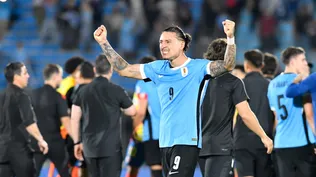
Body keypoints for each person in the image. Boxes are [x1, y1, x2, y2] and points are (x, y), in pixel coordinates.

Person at [93, 19, 236, 177]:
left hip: (187, 141)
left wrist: (230, 38)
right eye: (161, 42)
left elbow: (227, 65)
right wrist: (104, 42)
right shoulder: (157, 68)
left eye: (168, 41)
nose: (163, 45)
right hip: (165, 141)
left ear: (182, 44)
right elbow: (124, 69)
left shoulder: (198, 67)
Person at [199, 39, 273, 177]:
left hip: (200, 145)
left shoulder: (199, 82)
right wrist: (264, 136)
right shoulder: (233, 82)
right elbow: (245, 114)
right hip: (221, 147)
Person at [71, 55, 136, 177]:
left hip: (89, 148)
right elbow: (132, 111)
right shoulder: (117, 90)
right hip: (111, 148)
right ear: (111, 70)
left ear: (95, 70)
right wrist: (118, 107)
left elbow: (74, 118)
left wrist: (76, 142)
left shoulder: (83, 91)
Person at [268, 47, 316, 177]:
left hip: (281, 143)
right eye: (303, 60)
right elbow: (309, 115)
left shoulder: (272, 84)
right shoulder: (301, 82)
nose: (306, 63)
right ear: (293, 62)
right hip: (302, 143)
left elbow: (276, 117)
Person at [0, 62, 49, 177]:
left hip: (2, 152)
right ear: (16, 77)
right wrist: (41, 140)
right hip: (19, 153)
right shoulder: (22, 96)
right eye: (25, 73)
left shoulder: (1, 96)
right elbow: (29, 122)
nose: (28, 76)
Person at [234, 49, 275, 177]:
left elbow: (233, 116)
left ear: (246, 65)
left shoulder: (239, 85)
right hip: (265, 142)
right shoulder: (271, 86)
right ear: (262, 66)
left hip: (242, 141)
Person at [31, 64, 71, 177]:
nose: (62, 79)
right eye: (61, 76)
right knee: (65, 173)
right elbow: (66, 122)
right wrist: (77, 140)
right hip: (55, 142)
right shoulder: (58, 97)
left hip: (36, 142)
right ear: (55, 76)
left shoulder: (32, 95)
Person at [125, 56, 162, 177]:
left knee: (151, 165)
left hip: (149, 132)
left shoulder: (143, 83)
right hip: (168, 131)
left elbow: (141, 111)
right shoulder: (163, 81)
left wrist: (134, 129)